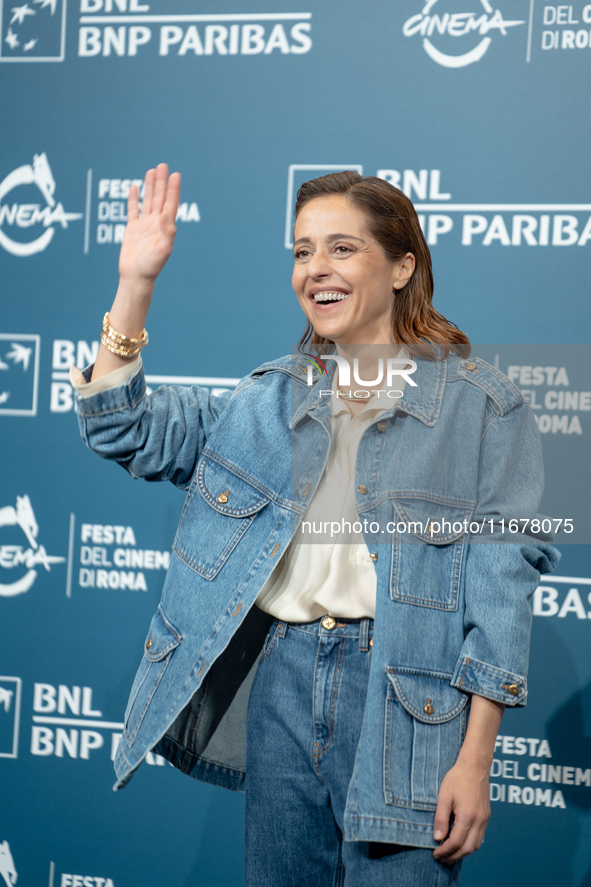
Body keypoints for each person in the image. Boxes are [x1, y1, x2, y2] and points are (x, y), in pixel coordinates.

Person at [71, 164, 559, 886]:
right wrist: (136, 282)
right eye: (301, 251)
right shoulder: (265, 400)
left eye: (340, 248)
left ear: (401, 265)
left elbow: (499, 595)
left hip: (404, 701)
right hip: (283, 685)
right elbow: (125, 430)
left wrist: (473, 760)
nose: (314, 269)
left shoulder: (484, 407)